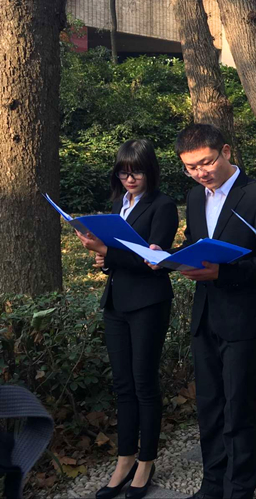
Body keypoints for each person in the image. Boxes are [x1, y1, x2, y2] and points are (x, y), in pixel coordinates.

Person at [150, 124, 256, 499]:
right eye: (190, 167)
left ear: (225, 151)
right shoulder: (195, 197)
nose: (200, 172)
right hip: (205, 315)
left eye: (206, 162)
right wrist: (167, 256)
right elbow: (195, 243)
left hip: (245, 318)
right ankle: (212, 485)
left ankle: (239, 489)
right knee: (209, 406)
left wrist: (223, 273)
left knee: (239, 407)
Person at [76, 139, 179, 499]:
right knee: (122, 385)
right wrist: (105, 260)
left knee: (143, 383)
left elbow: (153, 261)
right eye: (123, 172)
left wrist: (106, 251)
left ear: (150, 170)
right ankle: (125, 459)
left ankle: (146, 462)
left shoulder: (163, 206)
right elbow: (120, 259)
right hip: (116, 303)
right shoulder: (119, 205)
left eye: (136, 172)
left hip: (148, 302)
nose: (129, 179)